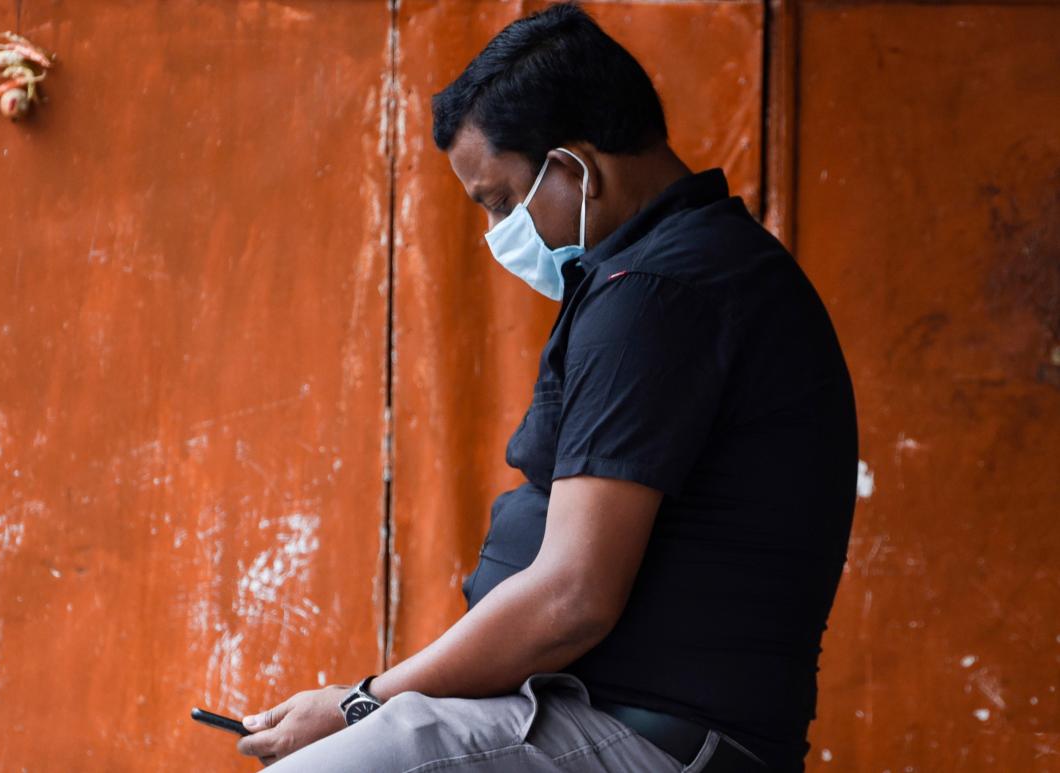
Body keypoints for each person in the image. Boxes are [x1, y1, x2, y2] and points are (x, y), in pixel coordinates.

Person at [234, 4, 857, 771]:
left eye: (499, 201)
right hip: (599, 715)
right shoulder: (689, 267)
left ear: (574, 170)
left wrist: (362, 700)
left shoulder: (659, 293)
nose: (500, 231)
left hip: (647, 733)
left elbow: (573, 595)